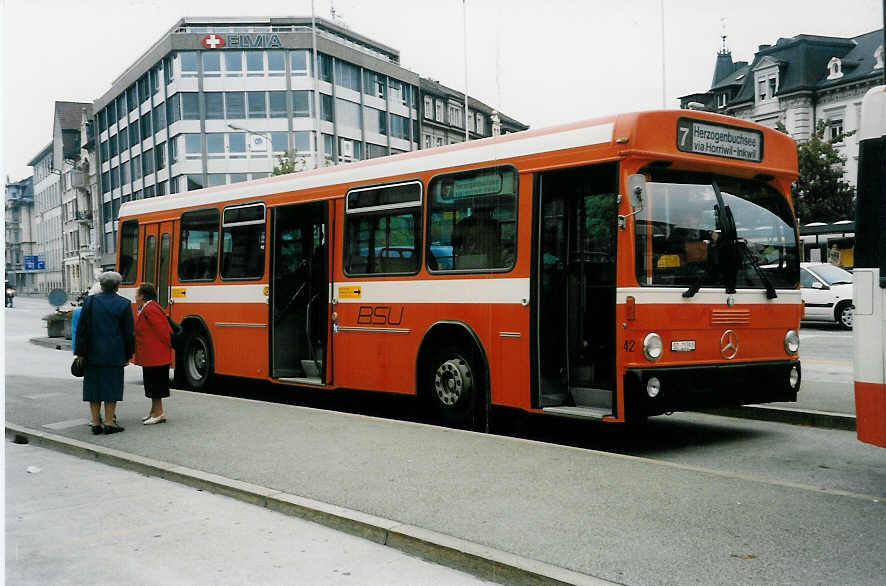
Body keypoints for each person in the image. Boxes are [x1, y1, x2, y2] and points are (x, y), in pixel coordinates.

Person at [74, 271, 134, 435]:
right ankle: (109, 422)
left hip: (91, 353)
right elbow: (128, 333)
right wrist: (128, 354)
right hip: (114, 353)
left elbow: (82, 329)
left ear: (101, 285)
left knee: (93, 387)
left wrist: (80, 353)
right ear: (117, 286)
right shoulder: (124, 304)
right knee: (112, 387)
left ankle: (95, 422)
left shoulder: (90, 301)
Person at [134, 282, 172, 425]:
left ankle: (159, 413)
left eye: (137, 294)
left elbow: (163, 331)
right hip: (153, 354)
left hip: (155, 355)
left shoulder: (150, 309)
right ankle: (154, 411)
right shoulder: (149, 307)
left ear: (143, 296)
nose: (135, 297)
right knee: (152, 385)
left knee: (155, 385)